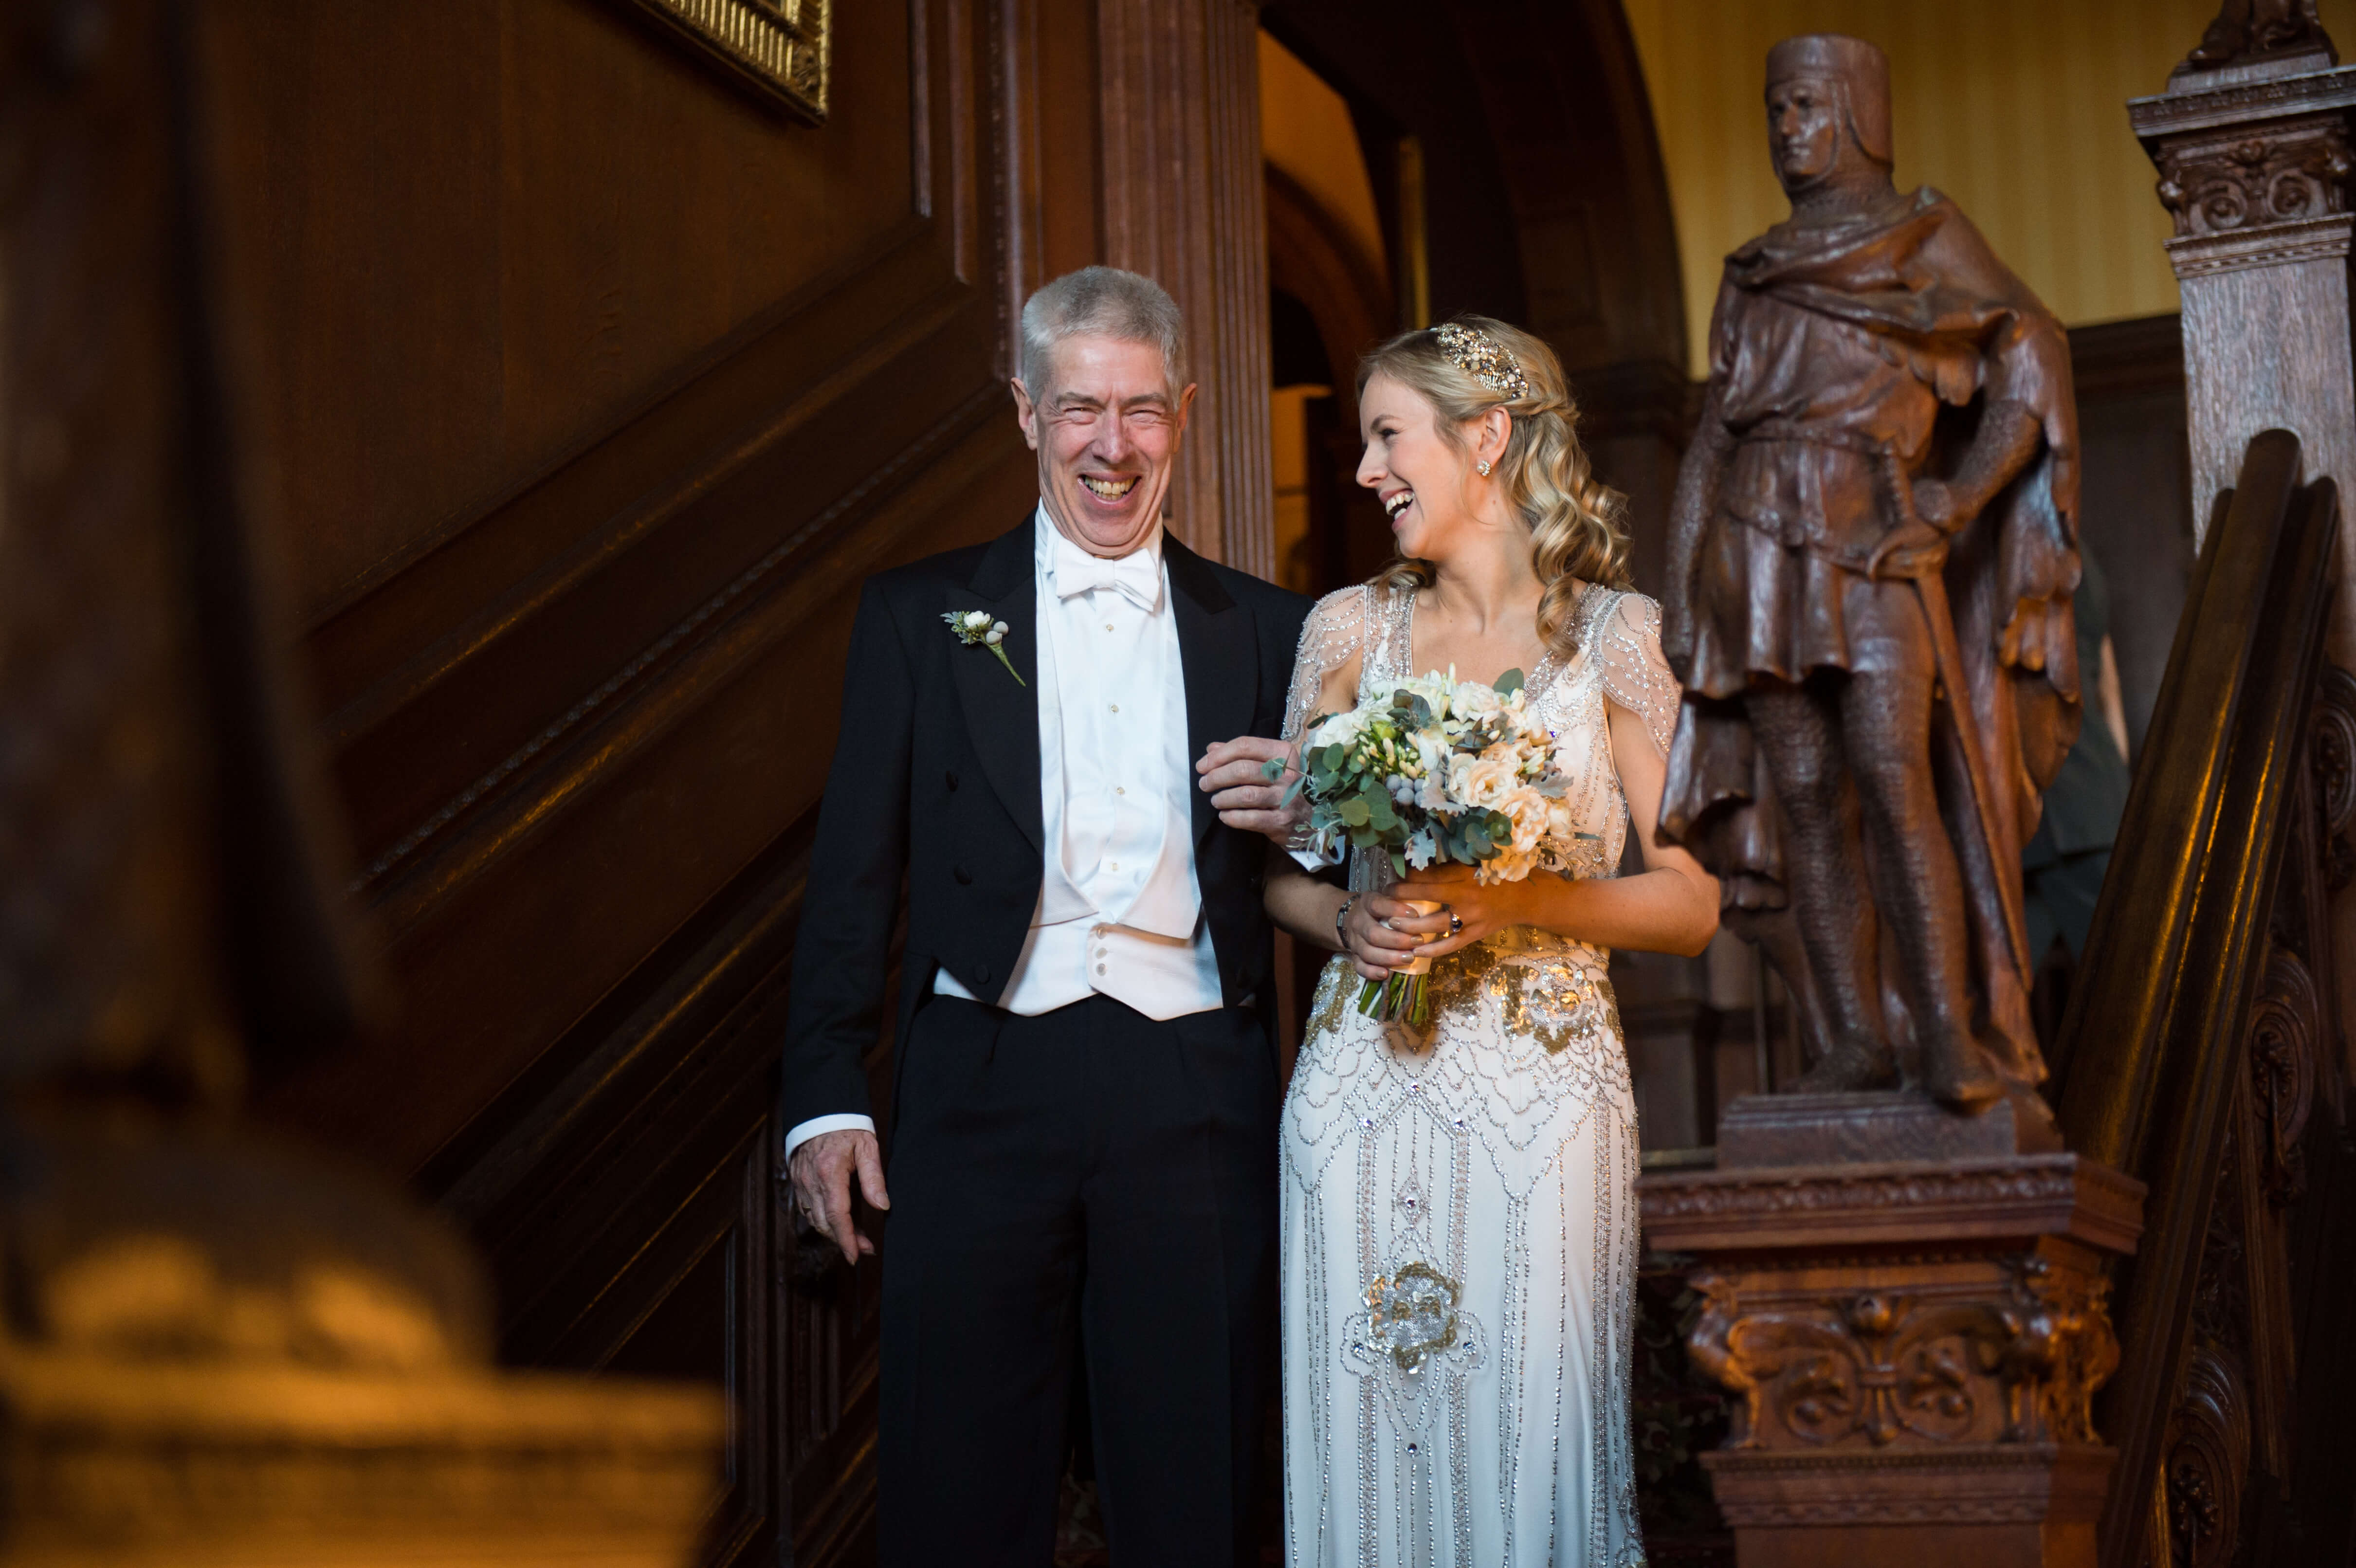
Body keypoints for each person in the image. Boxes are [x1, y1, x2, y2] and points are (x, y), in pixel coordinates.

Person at [775, 266, 1311, 1568]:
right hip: (980, 1080)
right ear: (1027, 412)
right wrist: (825, 1093)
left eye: (1140, 410)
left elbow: (1336, 874)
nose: (1111, 445)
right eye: (1079, 408)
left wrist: (1311, 817)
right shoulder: (918, 618)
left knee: (1196, 1490)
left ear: (1183, 414)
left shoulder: (1275, 629)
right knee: (958, 1490)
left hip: (1195, 1082)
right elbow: (853, 875)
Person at [1236, 317, 1718, 1567]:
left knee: (1534, 1437)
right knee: (1366, 1442)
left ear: (1487, 438)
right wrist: (1347, 917)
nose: (1365, 472)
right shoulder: (1346, 631)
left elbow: (1690, 902)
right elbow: (1282, 881)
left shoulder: (1617, 637)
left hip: (1541, 1093)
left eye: (1388, 436)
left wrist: (1516, 902)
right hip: (1359, 1086)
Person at [1656, 34, 2081, 1113]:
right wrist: (1679, 591)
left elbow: (2029, 359)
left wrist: (1960, 498)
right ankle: (1853, 1039)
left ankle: (1947, 1033)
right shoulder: (1752, 269)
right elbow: (1711, 437)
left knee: (1896, 777)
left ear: (1855, 109)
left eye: (1805, 105)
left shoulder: (1922, 235)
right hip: (1754, 545)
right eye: (1775, 110)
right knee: (1804, 794)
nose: (1786, 129)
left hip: (1877, 534)